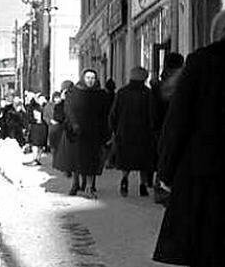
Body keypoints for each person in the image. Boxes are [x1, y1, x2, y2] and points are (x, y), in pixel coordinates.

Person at [153, 9, 225, 267]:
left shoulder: (202, 62)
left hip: (205, 172)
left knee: (201, 247)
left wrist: (166, 171)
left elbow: (178, 121)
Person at [109, 67, 155, 197]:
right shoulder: (148, 93)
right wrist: (153, 129)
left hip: (124, 132)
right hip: (143, 132)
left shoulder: (122, 92)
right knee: (143, 161)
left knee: (126, 159)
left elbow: (114, 113)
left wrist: (114, 129)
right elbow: (152, 114)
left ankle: (124, 179)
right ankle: (143, 185)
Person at [63, 69, 110, 197]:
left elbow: (105, 113)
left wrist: (105, 131)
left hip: (94, 132)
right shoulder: (74, 92)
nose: (90, 80)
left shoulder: (100, 94)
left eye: (93, 78)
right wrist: (74, 124)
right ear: (83, 78)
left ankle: (89, 185)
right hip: (76, 132)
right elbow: (68, 109)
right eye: (88, 77)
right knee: (76, 159)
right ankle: (75, 183)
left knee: (91, 160)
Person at [150, 52, 184, 205]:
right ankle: (165, 189)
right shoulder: (183, 81)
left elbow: (153, 107)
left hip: (161, 125)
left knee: (163, 156)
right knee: (173, 155)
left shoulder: (158, 84)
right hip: (174, 123)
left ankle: (161, 188)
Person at [51, 81, 74, 175]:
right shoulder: (59, 104)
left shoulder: (75, 100)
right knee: (65, 150)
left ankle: (68, 168)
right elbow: (57, 116)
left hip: (71, 128)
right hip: (63, 129)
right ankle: (67, 168)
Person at [26, 95, 48, 166]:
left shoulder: (46, 106)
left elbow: (48, 116)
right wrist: (35, 120)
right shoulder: (32, 107)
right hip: (35, 127)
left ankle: (38, 158)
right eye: (40, 98)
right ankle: (35, 158)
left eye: (43, 98)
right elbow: (29, 117)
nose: (42, 100)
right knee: (35, 143)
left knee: (41, 144)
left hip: (43, 127)